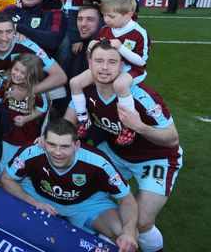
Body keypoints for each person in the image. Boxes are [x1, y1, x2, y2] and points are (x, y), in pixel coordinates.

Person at [64, 41, 181, 252]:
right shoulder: (85, 89)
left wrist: (140, 127)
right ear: (89, 62)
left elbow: (172, 139)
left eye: (112, 62)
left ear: (122, 66)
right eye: (99, 61)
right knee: (75, 188)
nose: (105, 67)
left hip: (156, 158)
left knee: (142, 222)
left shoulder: (141, 96)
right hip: (115, 152)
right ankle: (97, 238)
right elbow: (67, 124)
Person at [0, 119, 139, 252]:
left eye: (65, 146)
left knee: (123, 233)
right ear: (44, 142)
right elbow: (6, 179)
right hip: (38, 195)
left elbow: (126, 199)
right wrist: (32, 202)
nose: (57, 152)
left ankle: (102, 239)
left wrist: (129, 232)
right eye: (52, 144)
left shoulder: (98, 162)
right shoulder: (31, 152)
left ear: (77, 145)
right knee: (6, 220)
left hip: (84, 203)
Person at [70, 0, 149, 146]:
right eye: (105, 15)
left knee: (119, 85)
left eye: (111, 16)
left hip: (131, 69)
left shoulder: (139, 33)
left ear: (128, 15)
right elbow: (97, 55)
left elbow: (141, 61)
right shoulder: (106, 29)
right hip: (107, 67)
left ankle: (128, 127)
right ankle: (83, 119)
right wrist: (91, 48)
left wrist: (121, 49)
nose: (106, 20)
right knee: (75, 83)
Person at [0, 13, 67, 94]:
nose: (4, 38)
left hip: (21, 102)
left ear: (15, 32)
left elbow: (60, 76)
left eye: (9, 32)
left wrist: (27, 92)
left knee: (58, 91)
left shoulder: (26, 45)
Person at [0, 54, 50, 172]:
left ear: (32, 75)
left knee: (16, 167)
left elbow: (43, 108)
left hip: (25, 137)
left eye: (23, 73)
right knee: (0, 166)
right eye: (15, 69)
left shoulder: (39, 89)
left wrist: (27, 118)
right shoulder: (5, 83)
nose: (17, 74)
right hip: (4, 135)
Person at [0, 0, 66, 55]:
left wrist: (17, 27)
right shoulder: (10, 10)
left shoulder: (53, 14)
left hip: (39, 66)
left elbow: (53, 41)